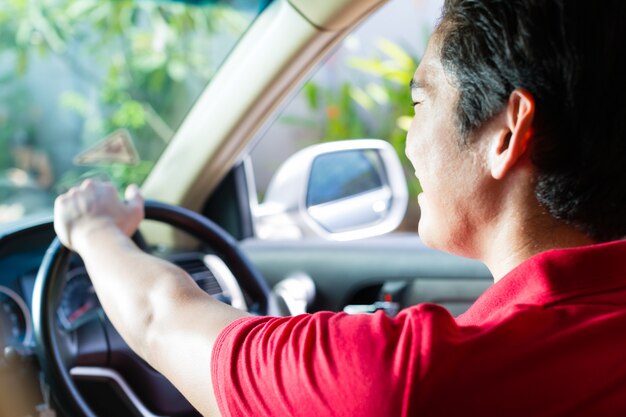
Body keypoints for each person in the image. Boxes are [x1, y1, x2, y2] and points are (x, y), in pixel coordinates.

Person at [54, 0, 626, 415]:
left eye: (421, 100)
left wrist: (95, 228)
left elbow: (159, 318)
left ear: (506, 133)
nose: (410, 139)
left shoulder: (410, 380)